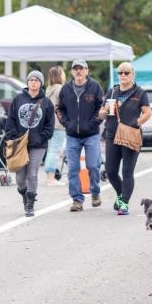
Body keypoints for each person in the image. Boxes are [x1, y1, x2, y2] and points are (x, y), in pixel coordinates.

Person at [101, 62, 152, 216]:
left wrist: (135, 123)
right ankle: (121, 193)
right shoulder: (112, 92)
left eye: (126, 72)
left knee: (127, 171)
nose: (123, 75)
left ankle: (124, 202)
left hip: (130, 135)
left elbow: (147, 113)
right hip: (112, 135)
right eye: (120, 73)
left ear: (133, 74)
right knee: (110, 171)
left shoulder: (140, 92)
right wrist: (104, 111)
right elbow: (101, 112)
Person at [55, 59, 105, 212]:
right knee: (72, 169)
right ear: (72, 72)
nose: (78, 71)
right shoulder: (66, 89)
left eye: (81, 69)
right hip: (72, 135)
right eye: (75, 69)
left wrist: (93, 123)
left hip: (91, 134)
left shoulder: (95, 87)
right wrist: (66, 123)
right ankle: (77, 199)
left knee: (92, 166)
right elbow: (59, 108)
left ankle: (95, 192)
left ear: (87, 71)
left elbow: (102, 107)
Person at [4, 70, 55, 216]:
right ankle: (24, 195)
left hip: (38, 145)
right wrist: (12, 137)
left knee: (32, 174)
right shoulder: (18, 99)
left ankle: (30, 204)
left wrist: (42, 137)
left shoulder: (46, 103)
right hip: (19, 143)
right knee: (20, 178)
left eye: (37, 80)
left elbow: (49, 125)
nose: (33, 82)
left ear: (41, 83)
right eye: (31, 80)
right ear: (27, 82)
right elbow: (11, 120)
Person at [43, 66, 66, 186]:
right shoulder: (60, 89)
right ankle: (51, 179)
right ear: (58, 75)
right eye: (62, 73)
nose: (64, 75)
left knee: (51, 150)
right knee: (54, 151)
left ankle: (49, 177)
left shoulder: (49, 89)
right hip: (59, 123)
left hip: (50, 123)